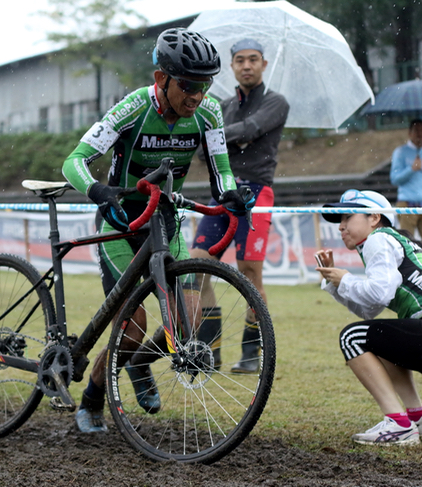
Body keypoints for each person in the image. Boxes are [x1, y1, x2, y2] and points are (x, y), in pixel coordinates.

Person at [61, 28, 255, 433]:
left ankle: (137, 365)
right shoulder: (132, 108)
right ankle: (92, 399)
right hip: (122, 223)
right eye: (188, 86)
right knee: (132, 329)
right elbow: (74, 161)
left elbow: (222, 175)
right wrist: (98, 190)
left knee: (188, 322)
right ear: (160, 79)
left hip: (164, 222)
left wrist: (234, 196)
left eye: (204, 86)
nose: (197, 96)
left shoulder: (209, 113)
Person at [315, 189, 422, 445]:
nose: (341, 226)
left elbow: (379, 294)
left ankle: (398, 423)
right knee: (376, 340)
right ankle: (417, 419)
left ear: (374, 218)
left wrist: (346, 280)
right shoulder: (390, 240)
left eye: (348, 216)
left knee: (352, 337)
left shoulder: (378, 239)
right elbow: (369, 310)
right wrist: (334, 284)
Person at [190, 38, 289, 374]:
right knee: (197, 266)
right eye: (240, 61)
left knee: (250, 272)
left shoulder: (277, 102)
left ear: (263, 64)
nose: (247, 65)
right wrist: (237, 137)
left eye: (253, 60)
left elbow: (254, 127)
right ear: (231, 66)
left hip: (257, 193)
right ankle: (210, 351)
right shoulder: (222, 105)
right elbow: (203, 151)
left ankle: (250, 353)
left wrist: (223, 136)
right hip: (222, 192)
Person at [390, 118, 422, 259]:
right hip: (407, 204)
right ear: (409, 133)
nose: (420, 134)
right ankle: (406, 277)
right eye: (417, 130)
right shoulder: (400, 152)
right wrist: (411, 169)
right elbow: (394, 179)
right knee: (405, 246)